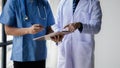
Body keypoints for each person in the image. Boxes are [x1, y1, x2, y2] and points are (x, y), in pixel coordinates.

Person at [0, 0, 55, 68]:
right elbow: (8, 30)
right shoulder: (13, 2)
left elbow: (48, 29)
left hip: (40, 55)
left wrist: (54, 35)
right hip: (22, 56)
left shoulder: (44, 3)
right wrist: (28, 30)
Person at [51, 0, 102, 68]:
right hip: (65, 48)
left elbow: (96, 27)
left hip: (82, 51)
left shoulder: (93, 3)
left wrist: (80, 25)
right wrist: (58, 34)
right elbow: (55, 23)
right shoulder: (63, 2)